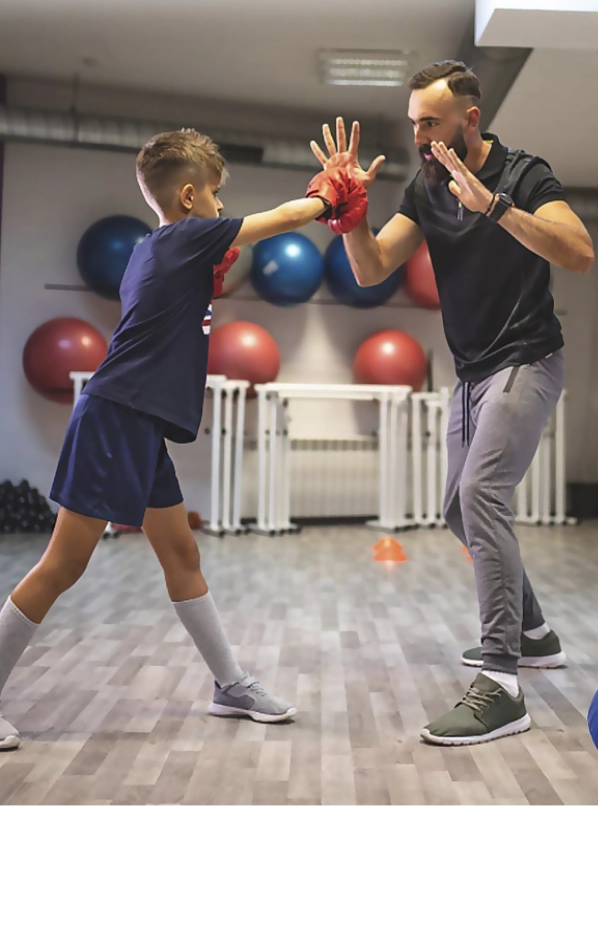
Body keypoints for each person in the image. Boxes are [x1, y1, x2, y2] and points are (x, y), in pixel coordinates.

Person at [0, 128, 365, 752]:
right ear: (191, 197)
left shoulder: (155, 249)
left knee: (182, 557)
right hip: (116, 418)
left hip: (138, 425)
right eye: (218, 196)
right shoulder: (187, 235)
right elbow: (277, 220)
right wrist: (329, 197)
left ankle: (230, 685)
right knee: (64, 564)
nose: (223, 207)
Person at [310, 61, 594, 746]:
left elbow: (580, 252)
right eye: (413, 124)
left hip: (528, 356)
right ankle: (534, 632)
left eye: (430, 122)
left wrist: (494, 208)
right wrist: (353, 219)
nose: (418, 135)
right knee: (457, 507)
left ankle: (501, 685)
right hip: (471, 372)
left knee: (484, 493)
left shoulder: (525, 174)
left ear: (470, 119)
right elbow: (374, 267)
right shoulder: (426, 185)